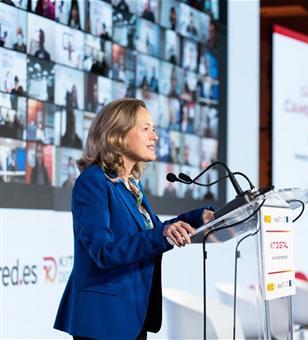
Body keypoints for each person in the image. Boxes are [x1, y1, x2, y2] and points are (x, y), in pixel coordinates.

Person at [53, 98, 214, 339]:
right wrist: (161, 235)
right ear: (118, 133)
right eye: (146, 128)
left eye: (154, 129)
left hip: (132, 315)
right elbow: (103, 252)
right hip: (104, 321)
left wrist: (200, 218)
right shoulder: (93, 182)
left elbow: (155, 231)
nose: (155, 136)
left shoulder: (131, 185)